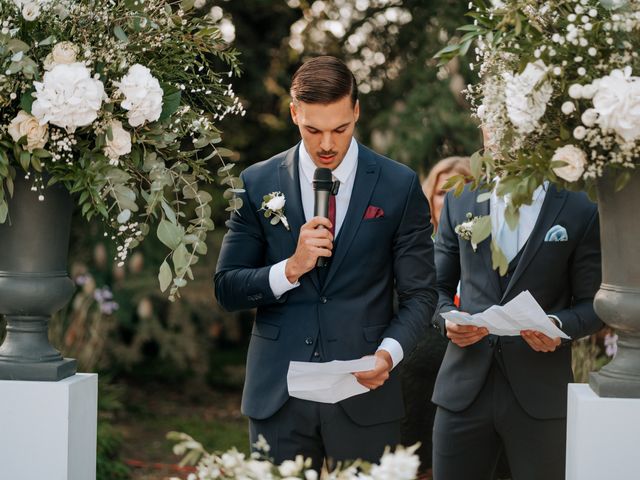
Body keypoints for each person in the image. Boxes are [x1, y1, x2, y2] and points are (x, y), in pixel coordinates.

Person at [214, 56, 437, 471]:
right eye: (313, 130)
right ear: (295, 113)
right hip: (278, 394)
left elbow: (420, 294)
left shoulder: (398, 185)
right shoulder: (257, 182)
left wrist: (387, 356)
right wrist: (290, 268)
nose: (328, 144)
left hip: (365, 389)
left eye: (340, 128)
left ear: (356, 110)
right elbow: (227, 287)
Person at [430, 148, 603, 479]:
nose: (497, 136)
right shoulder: (460, 200)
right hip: (462, 393)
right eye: (490, 125)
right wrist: (447, 318)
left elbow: (593, 302)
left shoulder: (580, 207)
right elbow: (433, 289)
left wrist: (558, 325)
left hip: (540, 396)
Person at [400, 156, 470, 479]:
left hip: (469, 380)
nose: (452, 198)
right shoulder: (412, 248)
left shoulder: (493, 252)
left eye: (462, 188)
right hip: (417, 380)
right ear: (430, 197)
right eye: (443, 192)